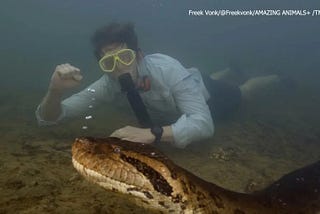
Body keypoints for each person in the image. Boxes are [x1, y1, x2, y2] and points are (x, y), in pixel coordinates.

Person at [36, 22, 281, 148]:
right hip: (187, 83)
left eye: (125, 57)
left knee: (244, 92)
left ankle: (275, 78)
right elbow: (48, 119)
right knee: (199, 78)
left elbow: (203, 124)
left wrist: (151, 134)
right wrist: (55, 91)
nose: (119, 68)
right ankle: (229, 70)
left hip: (205, 93)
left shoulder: (166, 69)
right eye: (109, 63)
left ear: (139, 56)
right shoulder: (107, 86)